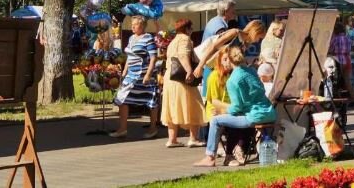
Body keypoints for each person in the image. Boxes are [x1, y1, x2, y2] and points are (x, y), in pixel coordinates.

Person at [193, 46, 277, 167]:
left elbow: (236, 108)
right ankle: (231, 154)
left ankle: (210, 157)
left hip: (254, 117)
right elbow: (262, 90)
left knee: (216, 120)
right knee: (233, 118)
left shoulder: (233, 80)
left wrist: (223, 110)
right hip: (270, 113)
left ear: (231, 61)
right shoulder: (252, 71)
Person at [110, 15, 160, 139]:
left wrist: (148, 74)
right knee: (121, 99)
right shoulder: (132, 38)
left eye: (135, 24)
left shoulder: (148, 38)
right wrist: (124, 71)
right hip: (131, 76)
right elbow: (129, 56)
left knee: (151, 101)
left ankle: (153, 128)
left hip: (143, 75)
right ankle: (122, 129)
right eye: (132, 24)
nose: (132, 26)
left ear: (142, 26)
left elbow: (153, 58)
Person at [162, 18, 206, 148]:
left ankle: (172, 139)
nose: (192, 31)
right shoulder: (184, 39)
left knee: (172, 106)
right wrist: (189, 71)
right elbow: (183, 55)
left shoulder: (173, 41)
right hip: (182, 79)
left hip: (170, 77)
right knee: (193, 104)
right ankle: (193, 138)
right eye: (191, 28)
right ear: (186, 29)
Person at [328, 22, 354, 103]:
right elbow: (349, 49)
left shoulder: (335, 39)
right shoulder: (347, 38)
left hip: (338, 60)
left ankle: (338, 101)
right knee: (347, 81)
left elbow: (330, 50)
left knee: (336, 81)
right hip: (347, 59)